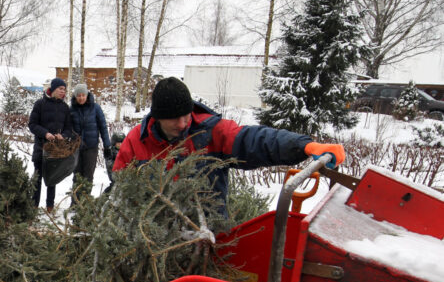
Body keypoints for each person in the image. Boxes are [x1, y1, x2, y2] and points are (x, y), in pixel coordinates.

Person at [112, 77, 345, 214]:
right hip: (155, 248)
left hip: (210, 238)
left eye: (187, 115)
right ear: (158, 117)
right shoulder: (136, 143)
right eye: (175, 118)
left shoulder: (211, 132)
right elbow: (121, 189)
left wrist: (305, 146)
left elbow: (255, 140)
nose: (183, 124)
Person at [28, 77, 74, 210]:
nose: (63, 92)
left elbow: (68, 129)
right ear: (53, 89)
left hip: (55, 150)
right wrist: (45, 133)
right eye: (60, 89)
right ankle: (34, 206)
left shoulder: (65, 108)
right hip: (40, 147)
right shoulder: (39, 104)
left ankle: (50, 206)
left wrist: (63, 136)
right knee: (37, 178)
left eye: (64, 90)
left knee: (52, 179)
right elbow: (32, 124)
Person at [69, 83, 111, 203]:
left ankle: (85, 203)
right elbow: (68, 128)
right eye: (78, 96)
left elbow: (103, 126)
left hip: (91, 147)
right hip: (76, 148)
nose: (81, 98)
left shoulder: (95, 108)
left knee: (88, 176)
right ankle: (75, 202)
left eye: (83, 95)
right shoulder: (71, 109)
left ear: (87, 95)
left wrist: (107, 145)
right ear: (75, 96)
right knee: (77, 175)